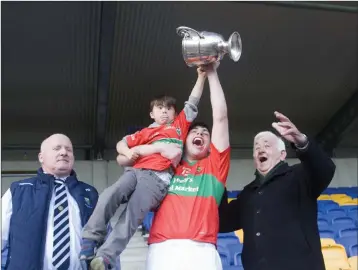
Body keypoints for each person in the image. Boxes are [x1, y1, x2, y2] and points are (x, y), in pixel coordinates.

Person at [80, 68, 207, 270]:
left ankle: (105, 257)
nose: (164, 111)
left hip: (157, 180)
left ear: (175, 112)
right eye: (159, 108)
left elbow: (192, 101)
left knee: (131, 215)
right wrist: (129, 153)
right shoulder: (145, 132)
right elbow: (121, 144)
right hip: (134, 172)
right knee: (108, 194)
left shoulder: (178, 127)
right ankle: (89, 240)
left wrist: (201, 76)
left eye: (168, 108)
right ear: (151, 113)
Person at [119, 62, 229, 270]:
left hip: (202, 249)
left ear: (209, 146)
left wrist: (212, 73)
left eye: (205, 133)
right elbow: (126, 161)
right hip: (162, 249)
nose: (200, 134)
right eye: (195, 132)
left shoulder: (215, 166)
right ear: (183, 140)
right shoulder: (165, 166)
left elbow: (221, 118)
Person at [218, 112, 336, 270]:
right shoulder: (248, 193)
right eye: (256, 147)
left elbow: (325, 169)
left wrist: (302, 142)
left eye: (267, 146)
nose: (260, 150)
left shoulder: (299, 176)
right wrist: (217, 178)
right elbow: (223, 222)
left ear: (283, 155)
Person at [1, 133, 99, 270]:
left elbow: (107, 243)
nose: (64, 152)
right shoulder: (17, 192)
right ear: (41, 157)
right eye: (57, 148)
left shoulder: (90, 194)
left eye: (68, 149)